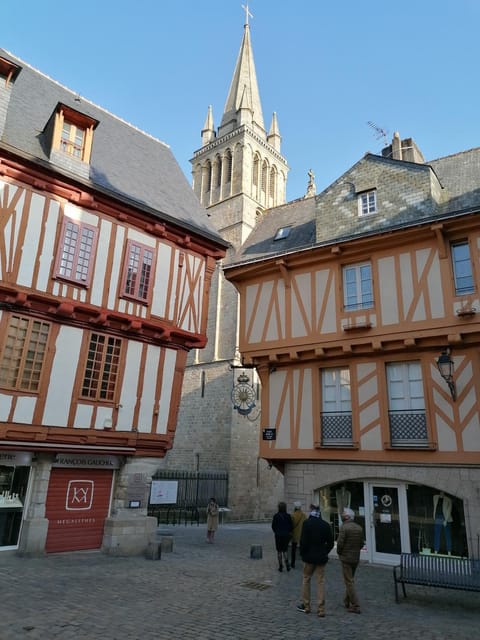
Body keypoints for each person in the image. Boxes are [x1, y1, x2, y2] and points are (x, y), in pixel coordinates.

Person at [296, 504, 334, 617]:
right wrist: (324, 552)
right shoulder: (326, 525)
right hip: (321, 557)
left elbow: (303, 542)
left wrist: (303, 553)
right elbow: (331, 543)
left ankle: (306, 605)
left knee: (306, 579)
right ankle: (321, 608)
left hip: (309, 557)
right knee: (320, 581)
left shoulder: (307, 524)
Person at [336, 507, 364, 614]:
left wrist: (339, 552)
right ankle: (346, 601)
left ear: (347, 516)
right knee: (350, 579)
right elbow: (361, 544)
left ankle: (355, 604)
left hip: (346, 558)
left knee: (349, 581)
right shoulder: (359, 528)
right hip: (355, 558)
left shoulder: (344, 527)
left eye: (343, 514)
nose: (342, 515)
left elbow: (340, 543)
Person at [271, 501, 293, 571]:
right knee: (285, 550)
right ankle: (287, 565)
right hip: (286, 535)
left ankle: (280, 566)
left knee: (279, 551)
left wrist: (276, 531)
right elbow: (291, 526)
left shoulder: (276, 516)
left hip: (278, 535)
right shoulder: (288, 516)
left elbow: (273, 526)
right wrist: (288, 532)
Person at [291, 501, 307, 569]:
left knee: (293, 550)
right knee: (303, 549)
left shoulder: (293, 515)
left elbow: (292, 525)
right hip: (302, 534)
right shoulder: (304, 515)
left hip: (294, 534)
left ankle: (292, 563)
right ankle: (304, 563)